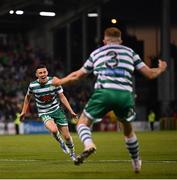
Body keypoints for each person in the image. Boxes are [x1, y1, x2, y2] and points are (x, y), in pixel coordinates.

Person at [52, 27, 167, 172]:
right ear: (120, 41)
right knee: (127, 130)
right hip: (125, 95)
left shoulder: (97, 53)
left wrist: (60, 81)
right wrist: (161, 69)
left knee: (83, 123)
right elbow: (150, 74)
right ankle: (136, 163)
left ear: (104, 40)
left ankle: (89, 145)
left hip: (104, 92)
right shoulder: (130, 52)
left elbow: (78, 76)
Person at [20, 64, 77, 161]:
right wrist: (23, 111)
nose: (43, 74)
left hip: (57, 110)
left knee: (67, 137)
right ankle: (61, 143)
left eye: (44, 72)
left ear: (47, 72)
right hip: (44, 112)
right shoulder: (33, 85)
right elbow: (27, 98)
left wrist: (71, 111)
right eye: (40, 73)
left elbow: (62, 97)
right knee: (54, 130)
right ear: (36, 75)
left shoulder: (54, 82)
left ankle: (72, 153)